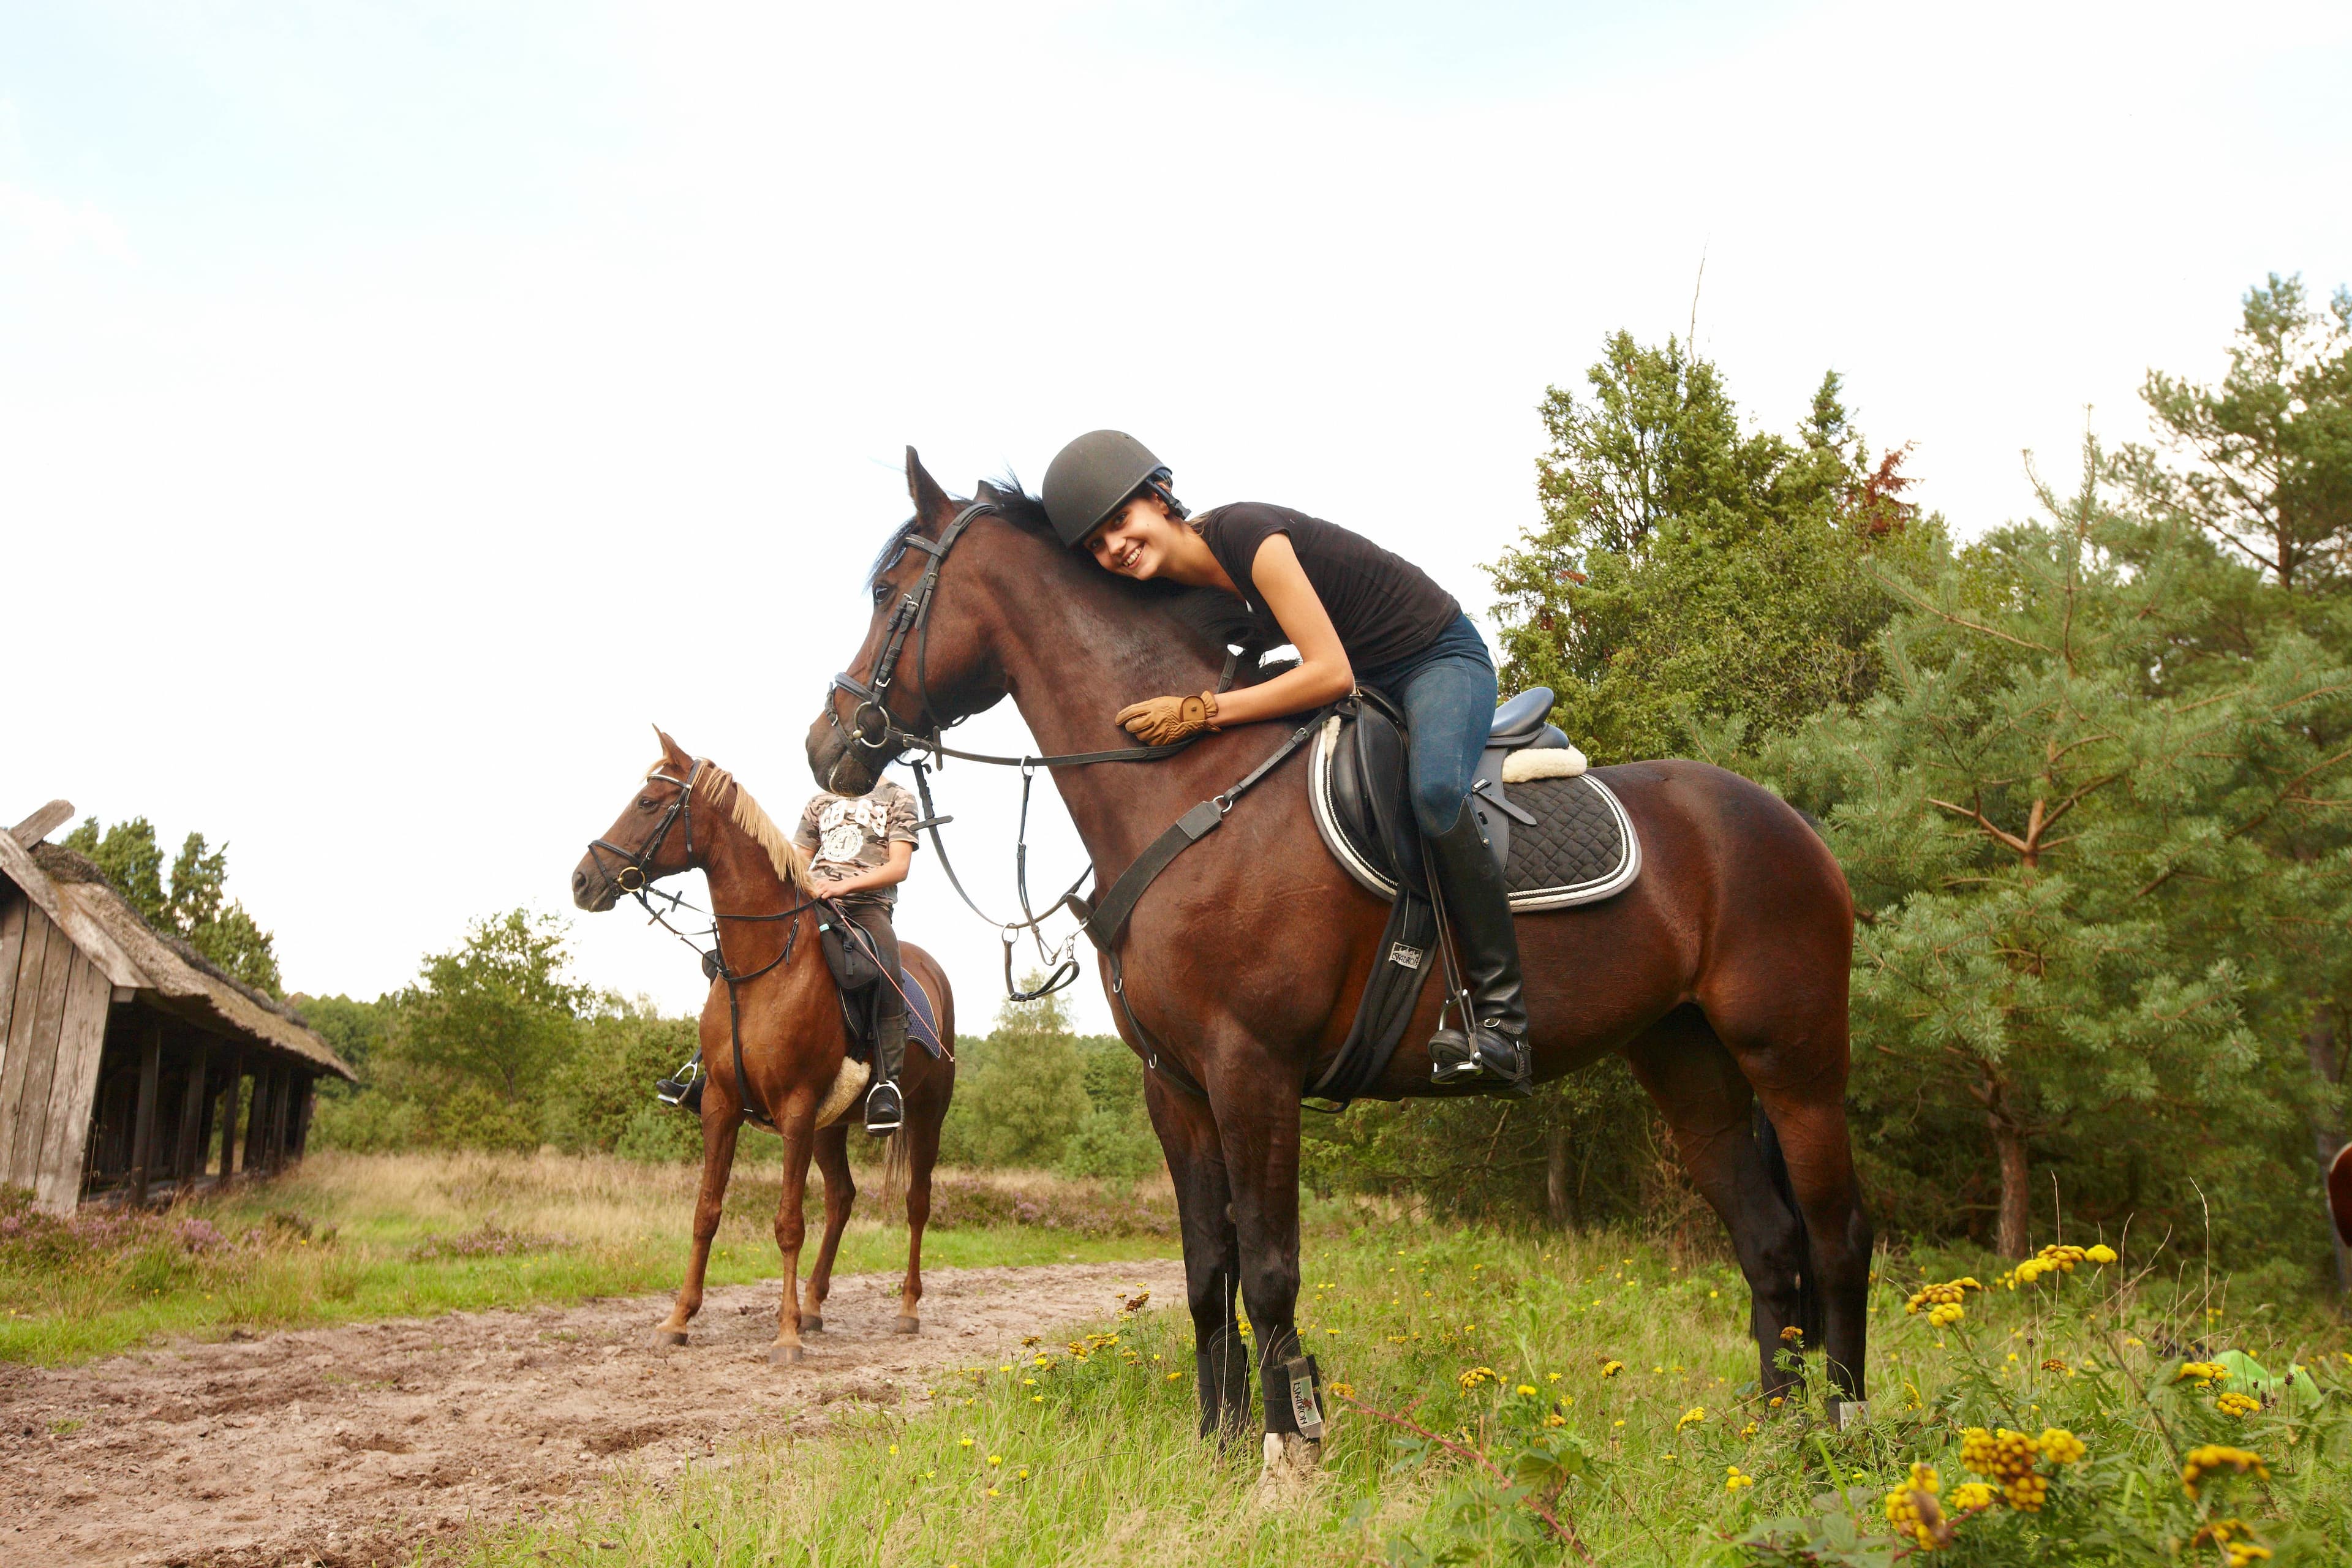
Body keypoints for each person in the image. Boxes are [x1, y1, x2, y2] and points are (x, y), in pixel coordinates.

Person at [1040, 429, 1528, 1091]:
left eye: (1120, 521)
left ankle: (1503, 1020)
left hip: (1434, 657)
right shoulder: (1180, 596)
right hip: (1369, 686)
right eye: (1097, 544)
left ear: (1159, 497)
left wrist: (1199, 710)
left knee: (1438, 791)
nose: (1115, 547)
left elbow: (1327, 672)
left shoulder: (1249, 536)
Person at [793, 778, 921, 1132]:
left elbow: (899, 867)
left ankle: (886, 1083)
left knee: (888, 968)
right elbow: (798, 859)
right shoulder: (819, 800)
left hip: (867, 906)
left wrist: (844, 886)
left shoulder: (898, 797)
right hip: (815, 902)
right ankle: (708, 1066)